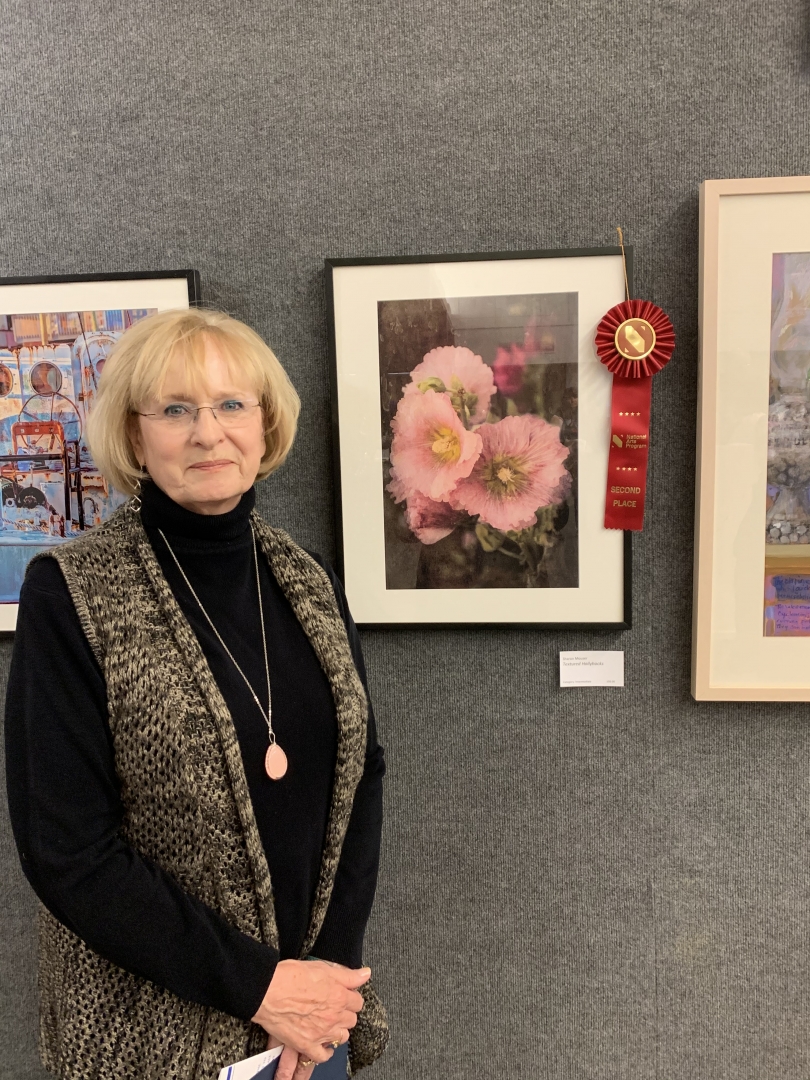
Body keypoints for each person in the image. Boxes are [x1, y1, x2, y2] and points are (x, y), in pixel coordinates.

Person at [4, 308, 388, 1080]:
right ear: (135, 436)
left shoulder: (307, 579)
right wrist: (262, 988)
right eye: (176, 410)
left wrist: (326, 987)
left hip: (307, 1036)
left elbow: (362, 778)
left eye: (230, 405)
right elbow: (69, 852)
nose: (208, 433)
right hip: (146, 1042)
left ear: (265, 423)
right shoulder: (73, 593)